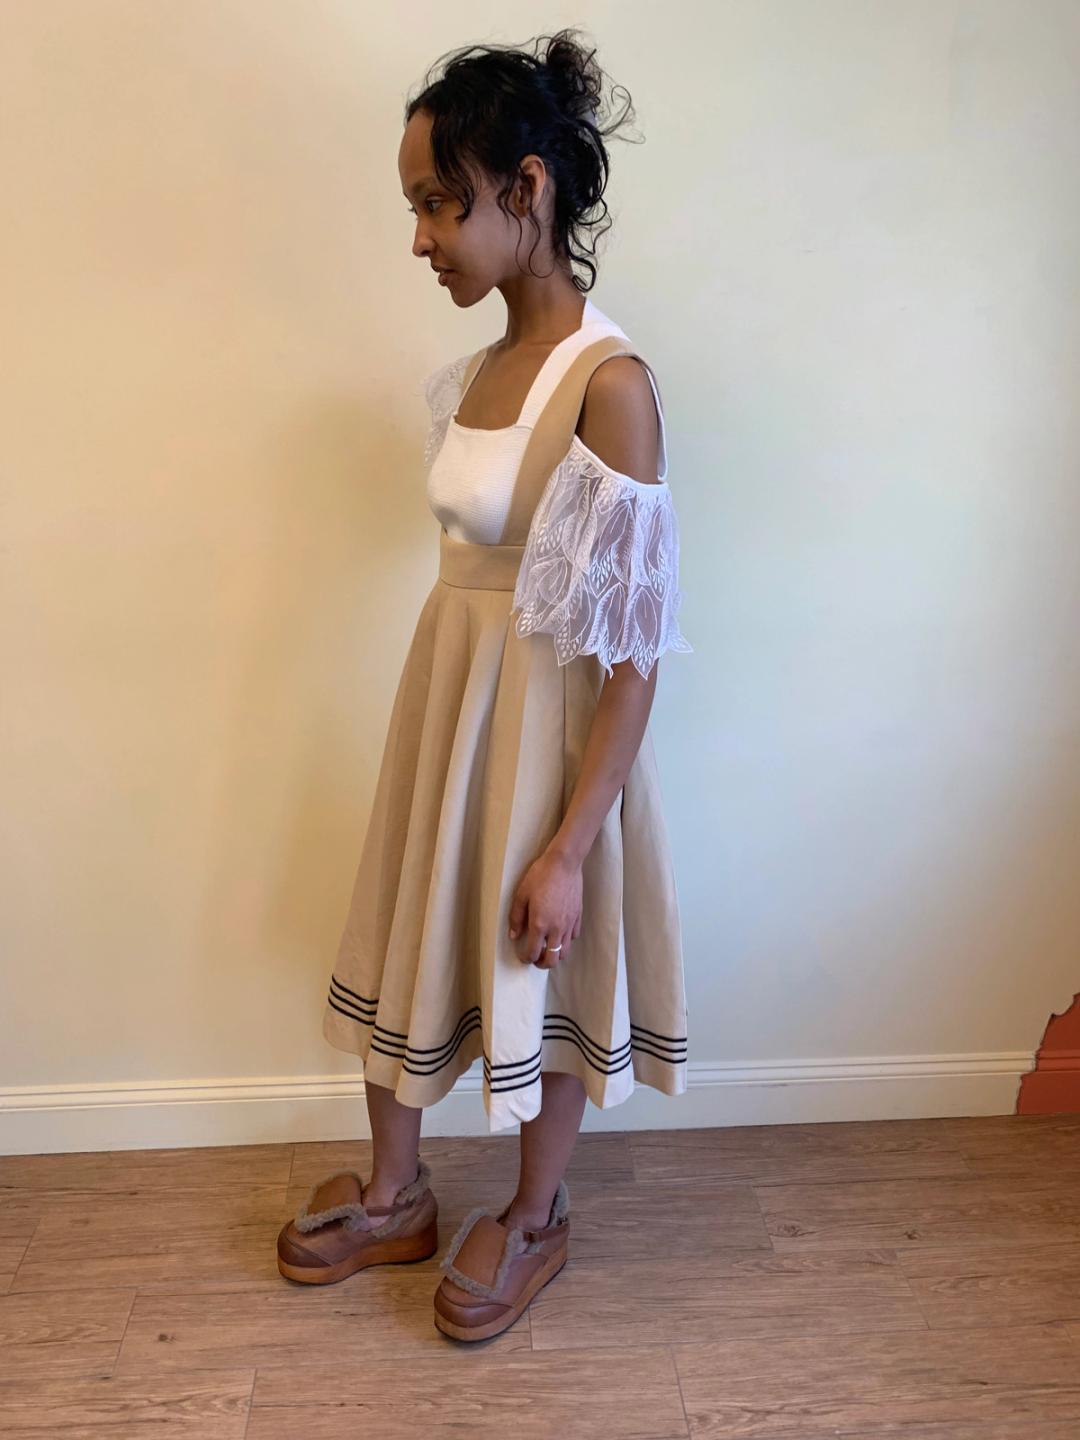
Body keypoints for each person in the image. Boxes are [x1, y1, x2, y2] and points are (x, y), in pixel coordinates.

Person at [277, 27, 693, 1342]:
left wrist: (570, 845)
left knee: (539, 970)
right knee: (408, 934)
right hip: (448, 711)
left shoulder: (610, 387)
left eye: (437, 204)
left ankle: (534, 1215)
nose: (420, 240)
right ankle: (395, 1195)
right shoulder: (469, 376)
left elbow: (634, 653)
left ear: (526, 189)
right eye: (413, 207)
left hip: (547, 741)